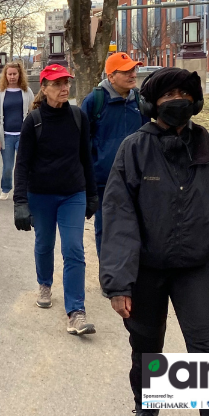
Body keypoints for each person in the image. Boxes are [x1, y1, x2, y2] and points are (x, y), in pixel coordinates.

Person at [99, 68, 209, 416]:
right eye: (167, 95)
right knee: (148, 349)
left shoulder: (208, 145)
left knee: (207, 349)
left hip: (196, 267)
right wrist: (119, 284)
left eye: (183, 93)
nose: (176, 100)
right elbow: (119, 219)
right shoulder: (134, 149)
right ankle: (146, 407)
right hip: (148, 269)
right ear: (152, 104)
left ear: (195, 101)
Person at [13, 65, 98, 335]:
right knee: (44, 243)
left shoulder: (77, 116)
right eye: (58, 83)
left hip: (73, 193)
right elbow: (22, 164)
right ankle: (45, 283)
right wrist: (20, 202)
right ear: (45, 88)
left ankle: (76, 312)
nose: (64, 88)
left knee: (74, 249)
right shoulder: (34, 121)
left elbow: (86, 157)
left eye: (66, 83)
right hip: (41, 195)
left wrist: (92, 193)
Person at [80, 52, 148, 260]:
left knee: (138, 224)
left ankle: (134, 272)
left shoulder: (139, 100)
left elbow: (147, 136)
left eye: (134, 69)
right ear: (111, 76)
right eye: (126, 71)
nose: (132, 74)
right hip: (104, 179)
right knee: (106, 227)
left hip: (137, 177)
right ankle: (108, 273)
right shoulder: (95, 101)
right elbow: (82, 142)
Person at [0, 62, 35, 200]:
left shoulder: (27, 91)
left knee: (25, 165)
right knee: (8, 166)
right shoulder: (0, 93)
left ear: (19, 74)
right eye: (9, 74)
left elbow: (34, 112)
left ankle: (25, 190)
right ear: (5, 75)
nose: (12, 77)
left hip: (24, 135)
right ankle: (6, 188)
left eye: (14, 74)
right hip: (7, 136)